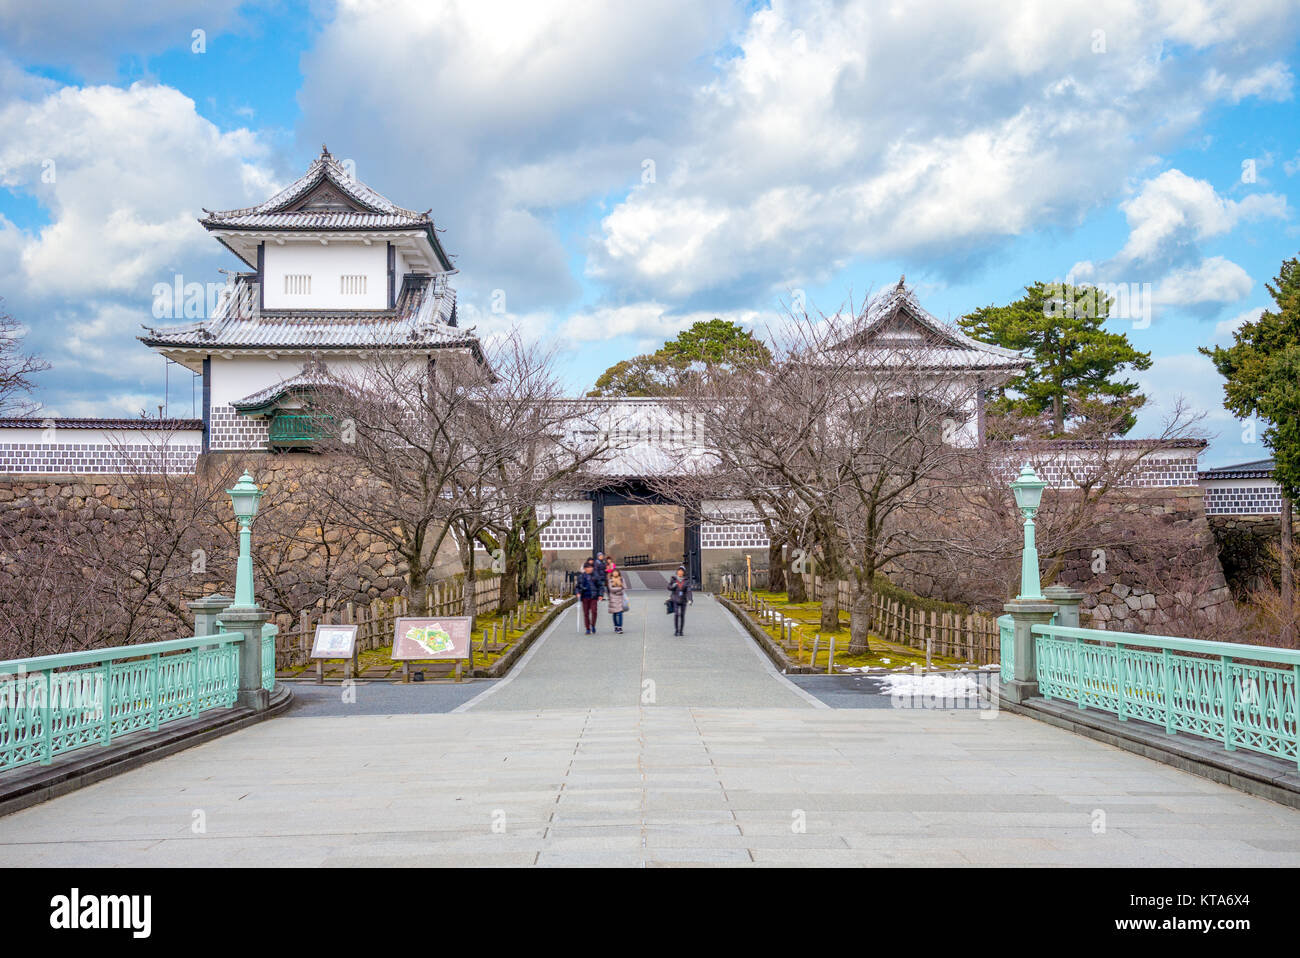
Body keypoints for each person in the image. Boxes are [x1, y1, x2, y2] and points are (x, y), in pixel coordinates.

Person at [575, 559, 604, 634]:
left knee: (594, 611)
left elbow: (600, 586)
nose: (590, 569)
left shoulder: (596, 576)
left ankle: (593, 625)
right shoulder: (581, 577)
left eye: (591, 567)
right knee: (586, 613)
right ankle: (587, 628)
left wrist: (600, 594)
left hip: (593, 597)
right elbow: (577, 587)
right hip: (585, 597)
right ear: (585, 569)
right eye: (588, 567)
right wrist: (577, 593)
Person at [667, 566, 692, 636]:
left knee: (682, 615)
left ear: (684, 573)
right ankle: (676, 630)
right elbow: (668, 587)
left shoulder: (686, 581)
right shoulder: (674, 580)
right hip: (675, 599)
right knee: (676, 614)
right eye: (679, 571)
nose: (680, 573)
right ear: (677, 572)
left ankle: (681, 631)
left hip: (683, 600)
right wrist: (673, 586)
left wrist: (690, 599)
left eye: (682, 571)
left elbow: (689, 591)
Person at [607, 569, 627, 634]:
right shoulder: (610, 580)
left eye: (616, 572)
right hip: (613, 598)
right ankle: (616, 626)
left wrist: (619, 591)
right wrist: (620, 589)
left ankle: (620, 627)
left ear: (618, 573)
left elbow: (624, 587)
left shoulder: (622, 579)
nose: (615, 573)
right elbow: (611, 589)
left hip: (620, 598)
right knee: (615, 613)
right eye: (614, 572)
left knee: (620, 613)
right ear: (612, 573)